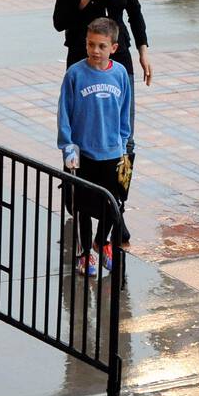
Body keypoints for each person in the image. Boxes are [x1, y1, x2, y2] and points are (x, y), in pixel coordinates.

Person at [57, 18, 131, 277]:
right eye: (90, 44)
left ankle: (103, 240)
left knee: (113, 203)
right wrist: (68, 147)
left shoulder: (120, 74)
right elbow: (64, 113)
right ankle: (85, 253)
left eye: (101, 45)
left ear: (113, 47)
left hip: (112, 152)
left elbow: (125, 113)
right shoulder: (75, 74)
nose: (95, 50)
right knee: (81, 207)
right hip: (82, 153)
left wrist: (123, 145)